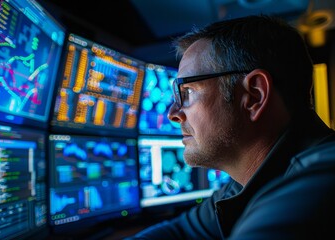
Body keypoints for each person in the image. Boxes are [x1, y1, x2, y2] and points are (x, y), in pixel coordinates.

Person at [125, 14, 335, 239]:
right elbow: (181, 231)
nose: (173, 114)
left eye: (187, 92)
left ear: (254, 95)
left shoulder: (314, 190)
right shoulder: (248, 182)